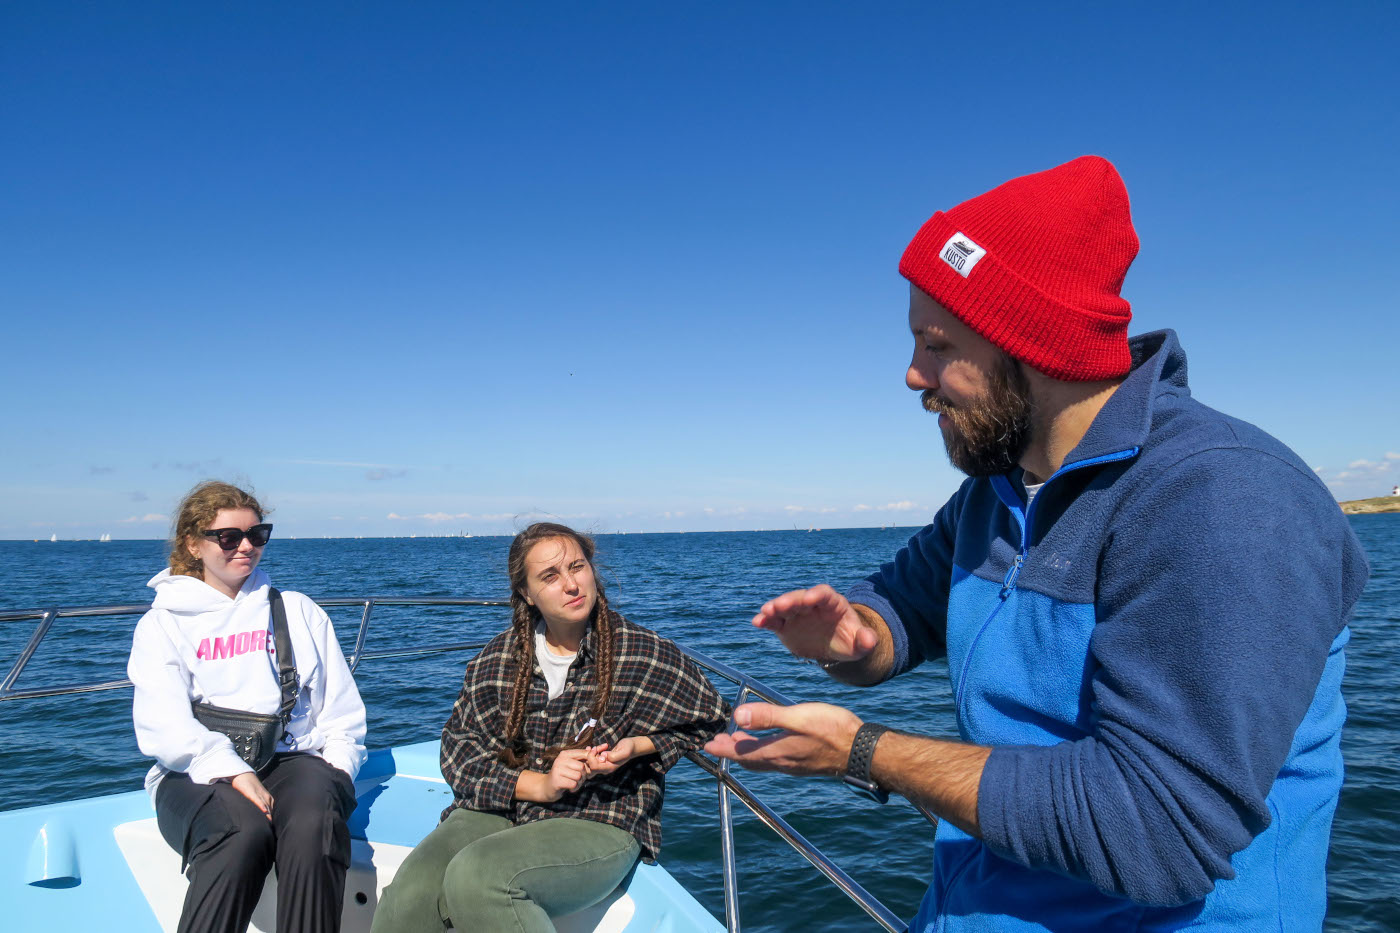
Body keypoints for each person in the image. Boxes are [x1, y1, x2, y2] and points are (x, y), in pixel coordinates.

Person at [705, 156, 1369, 931]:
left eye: (938, 343)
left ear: (1031, 341)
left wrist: (865, 751)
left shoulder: (1226, 499)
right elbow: (903, 603)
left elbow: (1159, 829)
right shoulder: (998, 485)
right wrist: (857, 635)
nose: (912, 375)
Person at [370, 522, 729, 933]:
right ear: (527, 594)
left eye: (577, 567)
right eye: (550, 576)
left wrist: (636, 747)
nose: (572, 585)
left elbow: (711, 717)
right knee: (408, 896)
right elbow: (458, 753)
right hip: (505, 805)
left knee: (481, 877)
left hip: (599, 815)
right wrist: (537, 785)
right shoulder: (500, 657)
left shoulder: (642, 651)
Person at [128, 480, 367, 933]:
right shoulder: (162, 624)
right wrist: (232, 771)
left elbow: (341, 713)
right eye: (228, 537)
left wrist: (336, 773)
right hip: (193, 771)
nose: (245, 547)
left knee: (315, 825)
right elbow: (163, 725)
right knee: (240, 833)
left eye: (257, 535)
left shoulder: (297, 611)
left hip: (292, 757)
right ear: (193, 545)